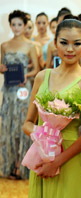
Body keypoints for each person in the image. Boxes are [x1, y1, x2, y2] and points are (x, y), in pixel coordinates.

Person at [22, 18, 81, 198]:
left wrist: (58, 159)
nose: (70, 49)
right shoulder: (42, 77)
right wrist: (40, 136)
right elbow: (27, 122)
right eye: (64, 42)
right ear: (55, 43)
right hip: (41, 160)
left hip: (70, 162)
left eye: (76, 43)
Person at [0, 10, 38, 180]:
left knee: (22, 124)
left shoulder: (31, 45)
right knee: (8, 126)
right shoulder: (5, 46)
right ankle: (8, 165)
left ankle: (21, 167)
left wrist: (26, 77)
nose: (16, 28)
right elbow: (2, 67)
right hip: (8, 91)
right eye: (13, 24)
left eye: (19, 24)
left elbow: (36, 69)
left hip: (23, 91)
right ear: (10, 25)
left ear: (25, 26)